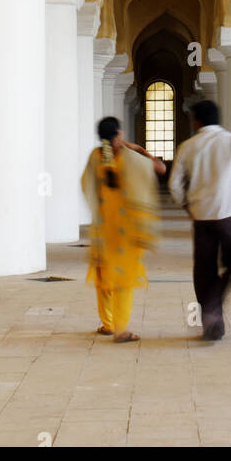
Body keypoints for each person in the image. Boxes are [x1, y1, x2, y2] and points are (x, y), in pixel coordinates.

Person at [169, 100, 231, 341]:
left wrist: (188, 206)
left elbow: (175, 185)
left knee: (204, 269)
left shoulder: (188, 146)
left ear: (196, 120)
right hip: (228, 215)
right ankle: (214, 309)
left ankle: (211, 314)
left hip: (201, 217)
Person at [80, 117, 164, 343]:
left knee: (103, 276)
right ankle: (120, 329)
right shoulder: (131, 158)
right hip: (126, 230)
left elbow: (86, 185)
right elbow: (160, 168)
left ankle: (107, 324)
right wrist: (140, 150)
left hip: (103, 227)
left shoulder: (95, 157)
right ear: (118, 134)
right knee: (123, 280)